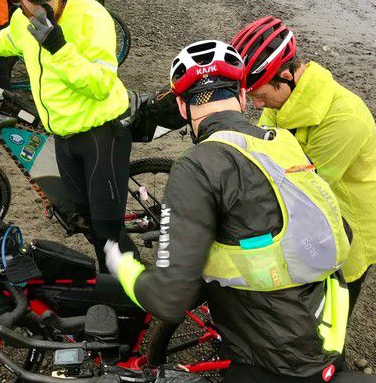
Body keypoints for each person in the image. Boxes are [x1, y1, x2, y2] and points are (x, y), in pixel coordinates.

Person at [105, 39, 351, 382]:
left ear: (182, 106)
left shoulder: (197, 165)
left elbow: (169, 299)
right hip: (323, 332)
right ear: (243, 96)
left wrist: (123, 266)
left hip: (270, 363)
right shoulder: (282, 143)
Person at [0, 0, 133, 272]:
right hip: (63, 134)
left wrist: (59, 48)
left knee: (109, 234)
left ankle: (128, 296)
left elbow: (102, 85)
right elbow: (10, 40)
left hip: (102, 132)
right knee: (86, 218)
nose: (40, 7)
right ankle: (108, 273)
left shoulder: (92, 16)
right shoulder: (22, 19)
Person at [230, 16, 376, 315]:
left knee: (328, 320)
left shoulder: (346, 120)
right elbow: (264, 146)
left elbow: (305, 190)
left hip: (350, 226)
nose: (257, 105)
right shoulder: (284, 100)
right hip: (311, 218)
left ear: (286, 76)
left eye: (260, 95)